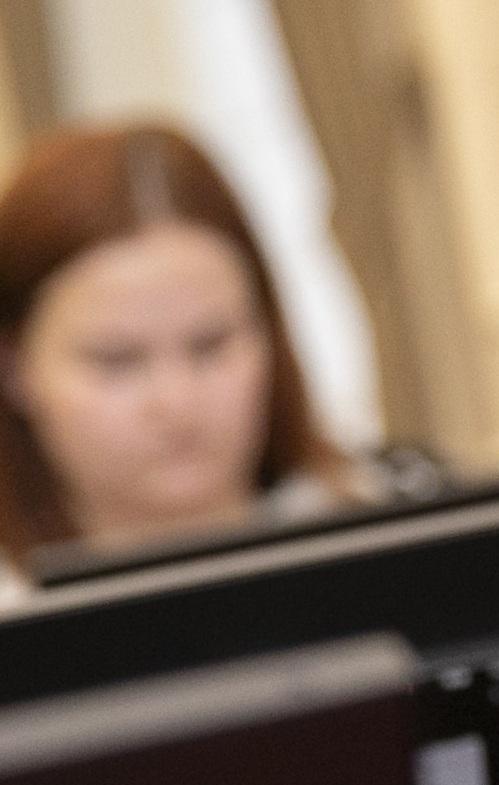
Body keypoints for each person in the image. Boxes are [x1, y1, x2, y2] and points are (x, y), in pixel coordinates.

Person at [0, 121, 359, 589]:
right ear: (14, 367)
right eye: (117, 360)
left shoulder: (401, 538)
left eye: (211, 345)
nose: (176, 401)